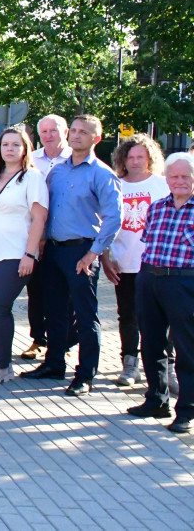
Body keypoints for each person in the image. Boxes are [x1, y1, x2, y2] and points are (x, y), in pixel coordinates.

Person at [22, 115, 122, 397]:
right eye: (74, 131)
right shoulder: (58, 171)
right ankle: (54, 364)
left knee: (85, 314)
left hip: (82, 251)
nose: (76, 136)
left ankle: (85, 374)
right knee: (53, 310)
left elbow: (114, 218)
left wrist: (94, 253)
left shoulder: (102, 174)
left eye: (83, 132)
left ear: (96, 138)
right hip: (53, 250)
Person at [0, 127, 49, 385]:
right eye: (6, 145)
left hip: (16, 253)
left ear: (25, 148)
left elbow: (39, 217)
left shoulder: (32, 178)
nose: (10, 149)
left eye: (16, 145)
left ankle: (2, 366)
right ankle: (0, 363)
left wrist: (30, 253)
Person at [127, 152, 194, 433]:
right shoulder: (156, 207)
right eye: (174, 176)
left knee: (186, 348)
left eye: (185, 176)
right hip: (150, 278)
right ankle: (156, 399)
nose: (179, 181)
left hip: (185, 283)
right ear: (166, 178)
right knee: (152, 343)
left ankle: (186, 411)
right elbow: (148, 242)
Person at [102, 134, 169, 387]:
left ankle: (167, 366)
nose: (135, 161)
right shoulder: (116, 186)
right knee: (127, 315)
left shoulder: (163, 185)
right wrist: (105, 258)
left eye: (140, 156)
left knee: (163, 316)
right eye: (130, 157)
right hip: (124, 263)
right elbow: (106, 225)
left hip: (157, 264)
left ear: (150, 158)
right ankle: (130, 363)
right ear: (123, 159)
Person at [20, 114, 72, 357]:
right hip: (34, 237)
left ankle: (63, 343)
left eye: (54, 130)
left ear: (66, 131)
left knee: (65, 295)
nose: (49, 135)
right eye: (44, 132)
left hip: (64, 238)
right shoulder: (32, 160)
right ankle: (38, 339)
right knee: (36, 291)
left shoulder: (76, 159)